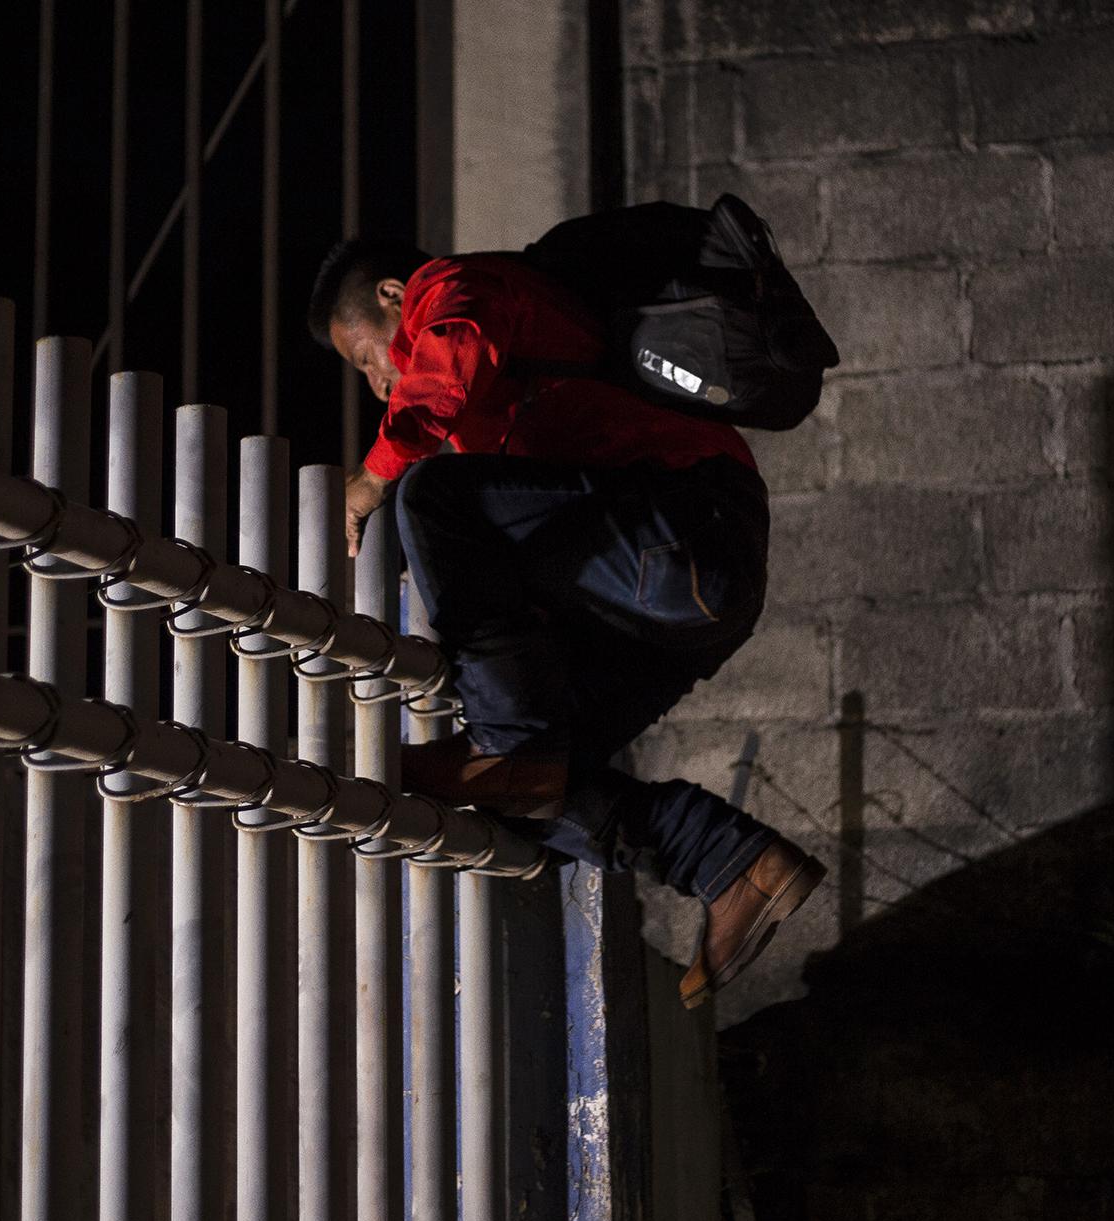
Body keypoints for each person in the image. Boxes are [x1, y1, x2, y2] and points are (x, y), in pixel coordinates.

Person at [309, 237, 824, 1009]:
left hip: (686, 524)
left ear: (392, 295)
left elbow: (453, 351)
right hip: (658, 592)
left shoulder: (455, 288)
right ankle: (725, 860)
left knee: (430, 497)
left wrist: (372, 477)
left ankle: (509, 741)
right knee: (516, 797)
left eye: (366, 360)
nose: (381, 382)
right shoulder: (484, 428)